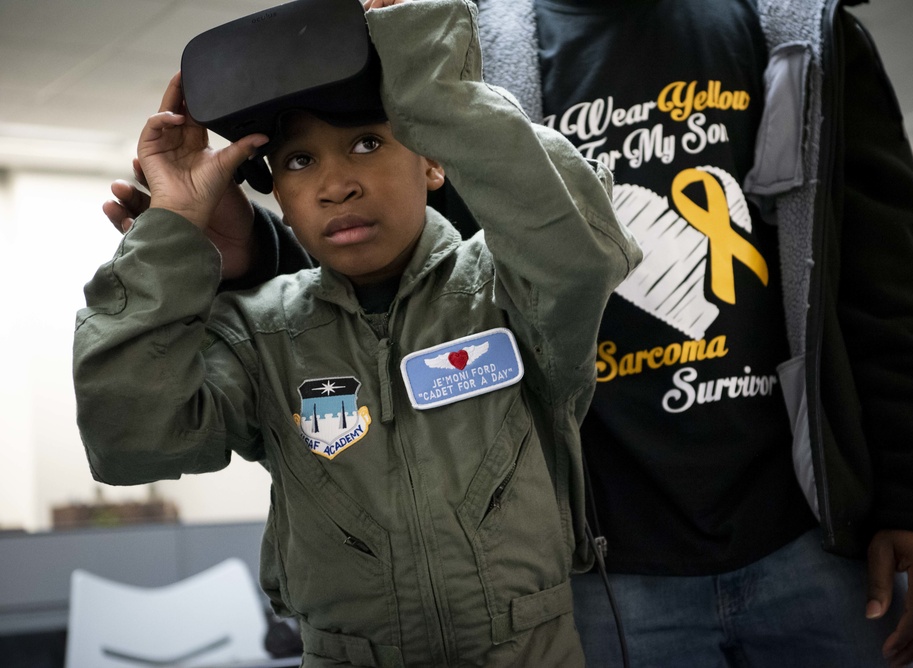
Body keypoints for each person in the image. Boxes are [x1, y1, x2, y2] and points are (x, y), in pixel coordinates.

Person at [104, 0, 913, 665]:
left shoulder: (795, 28)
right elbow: (396, 266)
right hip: (599, 566)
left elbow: (883, 284)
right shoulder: (467, 47)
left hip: (812, 540)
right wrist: (247, 249)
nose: (333, 176)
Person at [75, 0, 641, 665]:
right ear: (279, 196)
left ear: (432, 161)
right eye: (297, 162)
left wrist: (433, 85)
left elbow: (577, 246)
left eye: (367, 144)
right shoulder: (263, 334)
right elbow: (130, 441)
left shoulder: (506, 290)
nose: (335, 185)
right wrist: (170, 228)